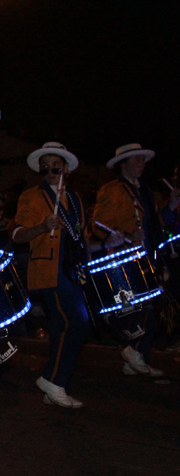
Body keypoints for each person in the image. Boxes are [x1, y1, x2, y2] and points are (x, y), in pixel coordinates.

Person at [13, 143, 125, 408]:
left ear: (66, 168)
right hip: (49, 272)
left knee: (61, 327)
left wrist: (106, 243)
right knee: (75, 322)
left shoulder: (74, 199)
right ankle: (53, 380)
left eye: (56, 166)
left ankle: (54, 384)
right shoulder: (32, 196)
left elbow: (80, 240)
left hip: (73, 270)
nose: (50, 171)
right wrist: (42, 227)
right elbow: (17, 235)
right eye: (45, 167)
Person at [93, 143, 169, 377]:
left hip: (147, 255)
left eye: (142, 160)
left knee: (151, 306)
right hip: (126, 258)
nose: (142, 164)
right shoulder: (112, 190)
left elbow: (158, 222)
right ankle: (134, 352)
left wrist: (173, 204)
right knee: (142, 308)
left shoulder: (146, 191)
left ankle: (135, 357)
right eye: (137, 160)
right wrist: (126, 235)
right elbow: (99, 224)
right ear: (123, 164)